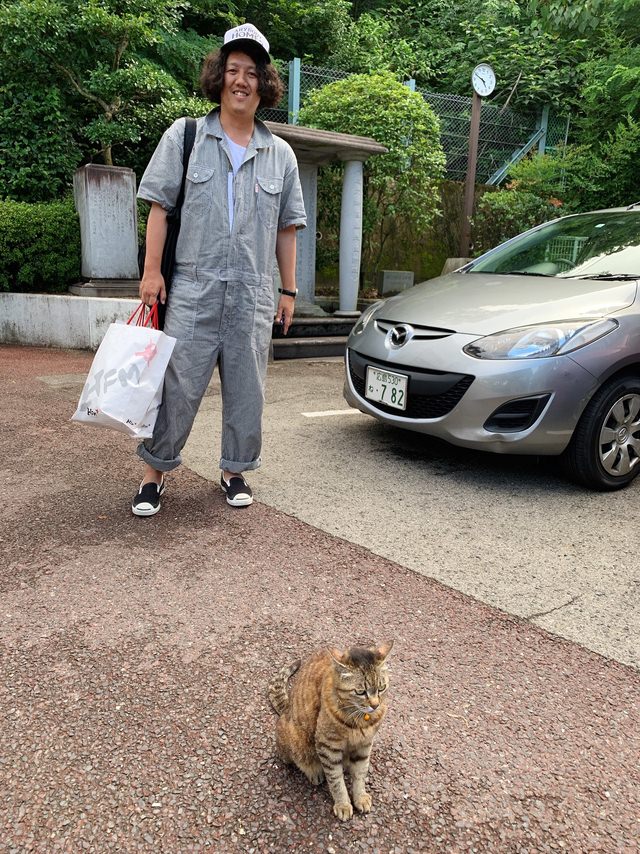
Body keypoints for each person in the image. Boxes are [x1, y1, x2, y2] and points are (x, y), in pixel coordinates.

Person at [132, 23, 306, 516]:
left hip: (253, 291)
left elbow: (287, 228)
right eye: (233, 70)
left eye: (252, 73)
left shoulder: (281, 154)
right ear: (219, 76)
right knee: (179, 384)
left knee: (248, 385)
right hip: (193, 284)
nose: (242, 81)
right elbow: (160, 208)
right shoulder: (185, 135)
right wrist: (151, 272)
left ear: (265, 83)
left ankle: (234, 471)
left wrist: (288, 291)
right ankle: (154, 473)